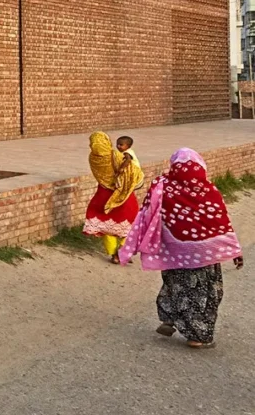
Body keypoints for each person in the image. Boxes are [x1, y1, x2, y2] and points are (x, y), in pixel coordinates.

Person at [119, 148, 244, 349]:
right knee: (204, 295)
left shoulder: (162, 187)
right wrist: (234, 250)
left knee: (175, 285)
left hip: (175, 253)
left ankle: (169, 317)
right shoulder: (209, 190)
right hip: (206, 255)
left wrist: (135, 244)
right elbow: (220, 222)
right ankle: (198, 336)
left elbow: (146, 214)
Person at [84, 132, 144, 263]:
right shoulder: (116, 155)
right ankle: (123, 249)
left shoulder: (92, 158)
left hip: (103, 194)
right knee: (129, 221)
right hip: (122, 194)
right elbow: (131, 170)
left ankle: (113, 253)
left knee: (106, 225)